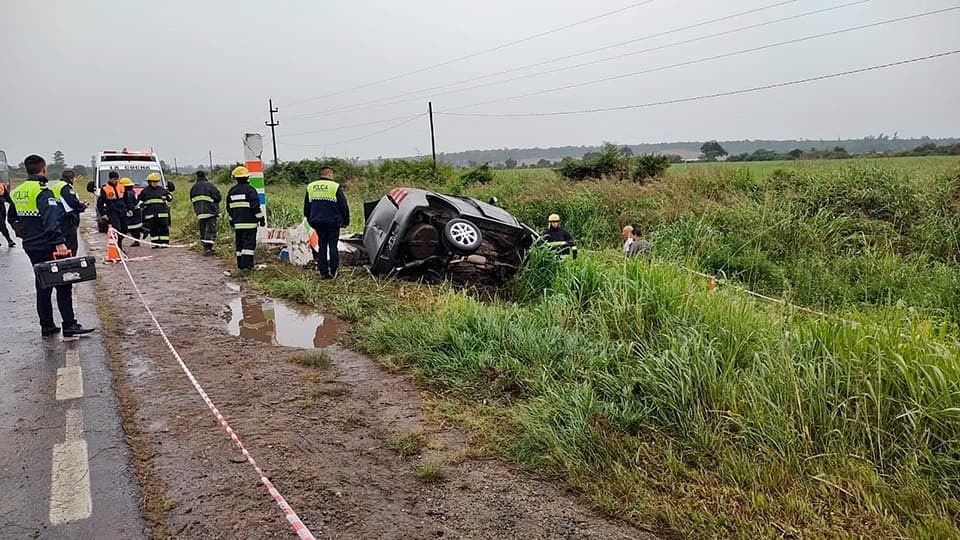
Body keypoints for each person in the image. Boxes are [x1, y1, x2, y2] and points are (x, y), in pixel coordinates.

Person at [8, 155, 94, 337]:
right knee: (64, 283)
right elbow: (50, 220)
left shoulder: (18, 191)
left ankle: (47, 326)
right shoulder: (42, 191)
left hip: (30, 245)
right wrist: (59, 243)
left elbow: (12, 218)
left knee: (43, 284)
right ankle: (69, 324)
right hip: (48, 244)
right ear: (44, 169)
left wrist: (25, 234)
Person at [303, 166, 349, 279]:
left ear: (321, 174)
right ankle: (334, 271)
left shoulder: (311, 186)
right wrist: (346, 220)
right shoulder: (335, 186)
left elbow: (306, 207)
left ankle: (323, 272)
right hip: (333, 221)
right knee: (333, 246)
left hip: (317, 222)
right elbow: (343, 205)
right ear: (329, 174)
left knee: (322, 246)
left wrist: (310, 220)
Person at [226, 166, 264, 271]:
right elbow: (255, 207)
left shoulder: (232, 191)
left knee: (240, 244)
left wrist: (231, 220)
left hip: (237, 223)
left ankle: (241, 265)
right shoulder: (251, 190)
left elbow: (229, 208)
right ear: (247, 177)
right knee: (249, 244)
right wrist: (261, 219)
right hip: (250, 223)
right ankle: (247, 266)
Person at [50, 170, 87, 255]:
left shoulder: (56, 186)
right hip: (67, 219)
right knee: (71, 246)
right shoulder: (66, 187)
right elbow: (72, 203)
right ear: (71, 178)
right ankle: (70, 264)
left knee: (60, 246)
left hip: (57, 217)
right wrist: (83, 206)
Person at [189, 170, 222, 256]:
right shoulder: (209, 185)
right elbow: (218, 196)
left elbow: (192, 199)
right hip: (210, 211)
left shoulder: (194, 187)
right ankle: (208, 248)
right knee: (211, 230)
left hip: (200, 213)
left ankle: (205, 248)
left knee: (203, 231)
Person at [97, 171, 130, 251]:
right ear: (110, 179)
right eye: (114, 179)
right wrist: (103, 213)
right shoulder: (105, 188)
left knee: (124, 230)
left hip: (122, 211)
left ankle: (119, 243)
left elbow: (126, 200)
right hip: (112, 212)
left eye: (117, 179)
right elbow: (100, 203)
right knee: (117, 229)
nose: (116, 181)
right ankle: (118, 247)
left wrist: (129, 209)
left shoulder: (122, 187)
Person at [138, 172, 173, 248]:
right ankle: (155, 243)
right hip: (151, 214)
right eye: (153, 181)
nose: (155, 183)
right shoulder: (145, 191)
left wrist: (167, 197)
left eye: (156, 181)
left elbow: (170, 197)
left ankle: (165, 243)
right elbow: (139, 200)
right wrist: (142, 205)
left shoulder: (162, 190)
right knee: (154, 229)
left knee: (164, 228)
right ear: (149, 182)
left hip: (162, 214)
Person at [121, 178, 143, 247]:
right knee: (135, 228)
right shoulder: (133, 192)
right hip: (136, 212)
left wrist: (128, 210)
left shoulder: (127, 193)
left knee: (129, 228)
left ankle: (137, 240)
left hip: (131, 213)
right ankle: (138, 238)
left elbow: (129, 203)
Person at [0, 181, 15, 247]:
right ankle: (9, 240)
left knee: (2, 224)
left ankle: (9, 240)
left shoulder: (1, 186)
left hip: (2, 208)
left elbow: (7, 197)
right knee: (2, 224)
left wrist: (12, 204)